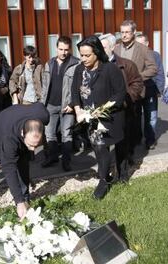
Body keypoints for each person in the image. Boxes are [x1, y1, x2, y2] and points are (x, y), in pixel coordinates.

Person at [71, 35, 126, 199]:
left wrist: (103, 109)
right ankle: (105, 179)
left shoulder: (110, 69)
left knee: (117, 147)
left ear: (97, 53)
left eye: (87, 55)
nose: (83, 58)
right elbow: (75, 93)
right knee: (100, 148)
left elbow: (120, 93)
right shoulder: (79, 69)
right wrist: (78, 111)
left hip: (110, 117)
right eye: (81, 55)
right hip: (90, 118)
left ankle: (122, 173)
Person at [0, 103, 49, 220]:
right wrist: (18, 201)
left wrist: (28, 146)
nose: (33, 149)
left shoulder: (44, 116)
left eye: (36, 145)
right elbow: (9, 169)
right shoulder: (9, 138)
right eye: (30, 144)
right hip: (1, 123)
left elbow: (39, 105)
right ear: (23, 133)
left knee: (24, 161)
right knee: (10, 161)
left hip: (17, 114)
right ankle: (21, 200)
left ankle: (26, 196)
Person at [100, 33, 143, 182]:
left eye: (103, 47)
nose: (100, 50)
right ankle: (104, 177)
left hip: (121, 112)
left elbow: (137, 83)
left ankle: (122, 176)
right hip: (101, 113)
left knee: (121, 145)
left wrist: (124, 100)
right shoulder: (95, 66)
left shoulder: (127, 64)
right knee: (102, 146)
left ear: (112, 47)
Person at [114, 20, 157, 152]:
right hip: (120, 90)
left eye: (127, 32)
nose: (124, 35)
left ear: (133, 33)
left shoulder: (143, 49)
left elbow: (153, 69)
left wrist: (138, 77)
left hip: (136, 90)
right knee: (123, 121)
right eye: (122, 32)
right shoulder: (116, 48)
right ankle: (127, 145)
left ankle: (135, 146)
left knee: (135, 118)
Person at [41, 36, 79, 172]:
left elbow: (79, 88)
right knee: (49, 134)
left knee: (66, 135)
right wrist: (42, 103)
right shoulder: (49, 63)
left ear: (70, 49)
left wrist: (73, 104)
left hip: (67, 106)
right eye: (61, 49)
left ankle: (66, 162)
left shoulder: (76, 64)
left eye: (66, 50)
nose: (63, 52)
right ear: (56, 48)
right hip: (50, 105)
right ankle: (52, 157)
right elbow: (44, 86)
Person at [136, 33, 165, 150]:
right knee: (136, 116)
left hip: (151, 91)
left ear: (147, 43)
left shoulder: (155, 55)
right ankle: (137, 138)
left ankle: (150, 140)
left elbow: (160, 73)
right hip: (136, 92)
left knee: (151, 117)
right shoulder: (133, 56)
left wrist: (160, 89)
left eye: (141, 44)